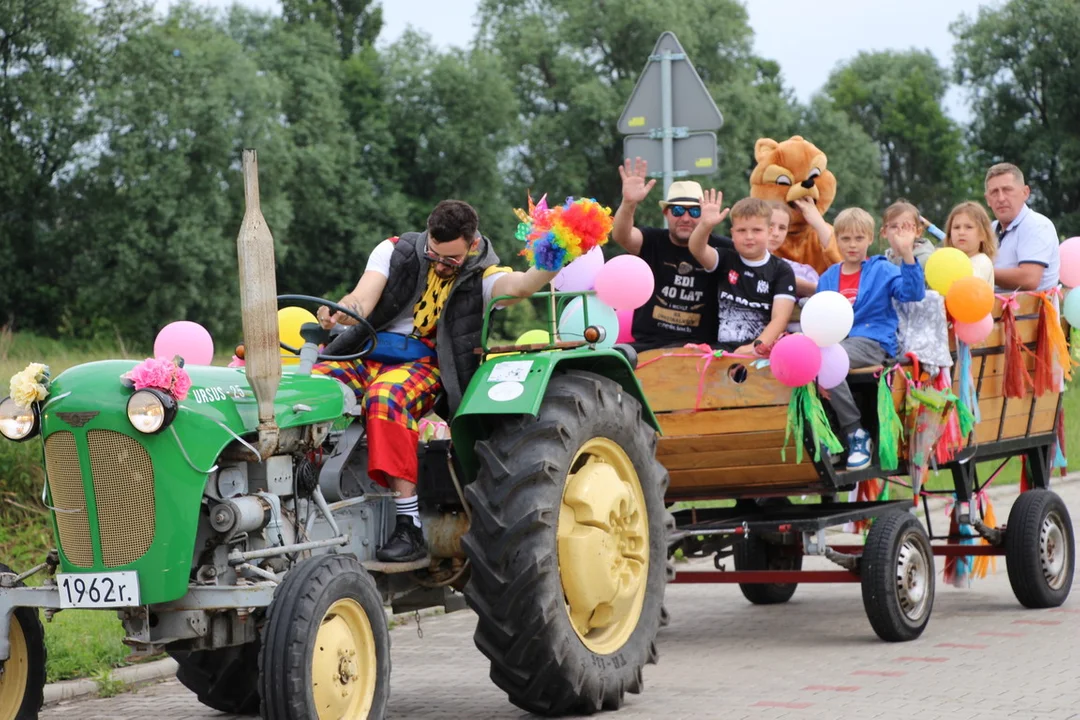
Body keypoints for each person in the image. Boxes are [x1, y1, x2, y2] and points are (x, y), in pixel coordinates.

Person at [314, 200, 564, 563]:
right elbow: (361, 299)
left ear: (472, 245)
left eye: (452, 260)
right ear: (428, 235)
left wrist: (551, 263)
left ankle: (409, 524)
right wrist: (342, 312)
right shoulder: (394, 250)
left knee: (386, 397)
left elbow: (521, 286)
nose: (441, 265)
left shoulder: (485, 274)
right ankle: (307, 493)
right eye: (434, 255)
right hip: (369, 350)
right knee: (310, 389)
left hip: (426, 361)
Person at [817, 208, 925, 470]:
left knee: (830, 358)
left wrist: (907, 253)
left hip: (873, 342)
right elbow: (819, 318)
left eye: (858, 238)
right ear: (836, 241)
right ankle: (828, 436)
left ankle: (856, 433)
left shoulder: (883, 270)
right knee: (811, 359)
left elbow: (913, 293)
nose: (852, 245)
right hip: (836, 344)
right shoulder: (828, 277)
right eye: (845, 239)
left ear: (869, 239)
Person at [613, 157, 734, 350]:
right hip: (648, 346)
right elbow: (622, 235)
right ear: (665, 213)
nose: (685, 218)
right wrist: (628, 203)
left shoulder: (723, 248)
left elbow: (762, 263)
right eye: (677, 210)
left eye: (694, 212)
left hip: (699, 350)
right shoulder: (653, 240)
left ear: (704, 214)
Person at [688, 192, 796, 354]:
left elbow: (780, 319)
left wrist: (754, 348)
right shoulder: (725, 258)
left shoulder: (782, 270)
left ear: (769, 231)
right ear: (732, 233)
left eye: (757, 230)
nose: (749, 237)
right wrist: (705, 225)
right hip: (721, 350)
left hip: (761, 351)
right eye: (741, 230)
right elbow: (697, 249)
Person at [984, 163, 1061, 292]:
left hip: (1030, 312)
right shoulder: (990, 229)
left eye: (1007, 190)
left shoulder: (1037, 225)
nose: (1001, 198)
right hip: (990, 309)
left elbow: (1029, 279)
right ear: (987, 199)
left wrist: (978, 271)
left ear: (1025, 193)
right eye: (994, 192)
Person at [768, 201, 818, 332]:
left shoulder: (803, 271)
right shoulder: (735, 260)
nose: (775, 233)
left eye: (782, 228)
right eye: (770, 225)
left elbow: (822, 292)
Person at [943, 201, 998, 286]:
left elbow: (968, 287)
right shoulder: (949, 262)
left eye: (969, 227)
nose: (961, 232)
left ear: (983, 234)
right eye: (956, 227)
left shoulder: (982, 261)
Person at [882, 200, 935, 269]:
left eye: (906, 227)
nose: (900, 231)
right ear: (884, 232)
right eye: (894, 226)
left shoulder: (927, 260)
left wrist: (907, 254)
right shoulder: (883, 261)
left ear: (918, 232)